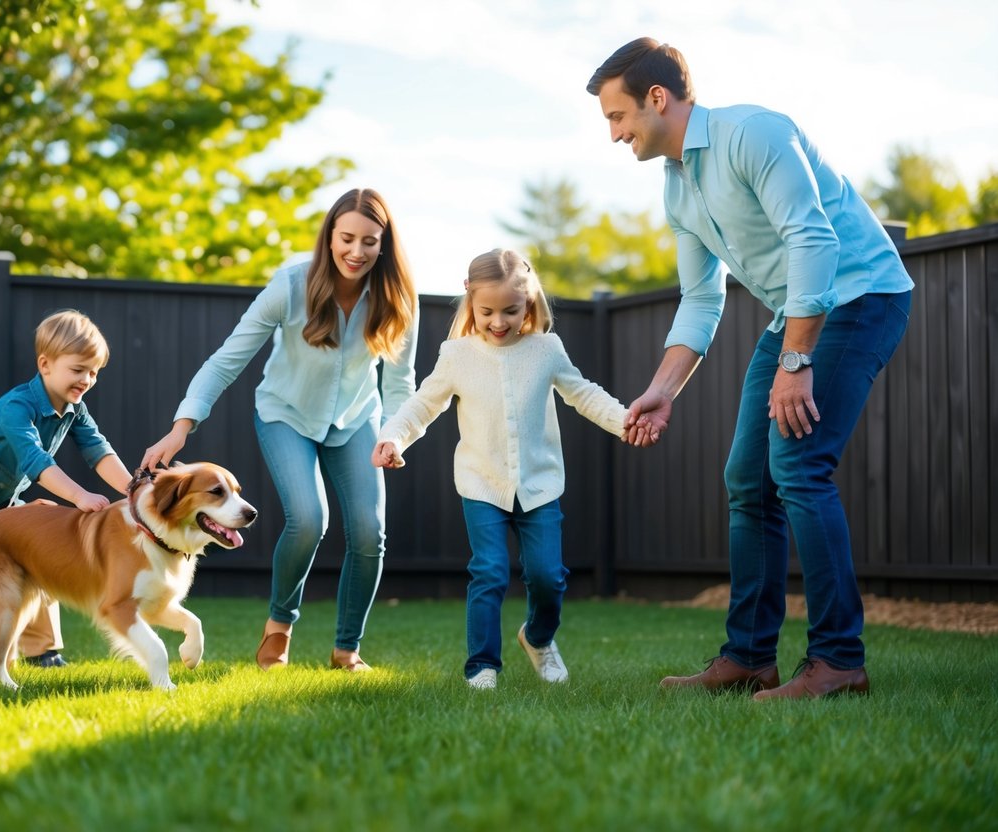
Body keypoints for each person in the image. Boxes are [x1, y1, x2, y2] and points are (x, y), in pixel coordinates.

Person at [588, 38, 914, 700]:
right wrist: (660, 390)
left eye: (616, 117)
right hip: (793, 314)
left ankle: (837, 661)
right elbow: (701, 298)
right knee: (747, 476)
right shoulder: (678, 189)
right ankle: (747, 658)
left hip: (862, 294)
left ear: (657, 98)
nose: (614, 135)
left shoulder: (753, 133)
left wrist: (796, 360)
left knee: (796, 466)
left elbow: (812, 238)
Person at [141, 187, 419, 673]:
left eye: (369, 242)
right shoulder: (291, 286)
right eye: (347, 238)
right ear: (329, 236)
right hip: (285, 414)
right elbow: (228, 359)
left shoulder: (397, 300)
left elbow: (400, 384)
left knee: (369, 530)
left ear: (384, 243)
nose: (357, 252)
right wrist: (180, 428)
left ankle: (347, 650)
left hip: (357, 421)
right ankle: (278, 629)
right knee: (309, 518)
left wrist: (395, 436)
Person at [372, 249, 629, 689]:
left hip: (539, 485)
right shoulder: (457, 355)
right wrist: (393, 437)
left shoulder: (546, 349)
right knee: (489, 571)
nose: (498, 321)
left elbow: (583, 394)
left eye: (510, 310)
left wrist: (626, 421)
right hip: (481, 484)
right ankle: (482, 666)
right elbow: (422, 405)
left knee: (548, 576)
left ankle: (538, 637)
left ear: (529, 303)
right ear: (469, 301)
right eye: (486, 310)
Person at [0, 309, 134, 667]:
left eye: (94, 372)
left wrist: (134, 490)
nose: (86, 379)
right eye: (78, 369)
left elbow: (99, 451)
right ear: (45, 365)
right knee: (3, 569)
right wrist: (79, 496)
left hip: (4, 502)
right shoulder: (17, 406)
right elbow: (36, 461)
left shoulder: (76, 409)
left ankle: (42, 651)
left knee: (44, 554)